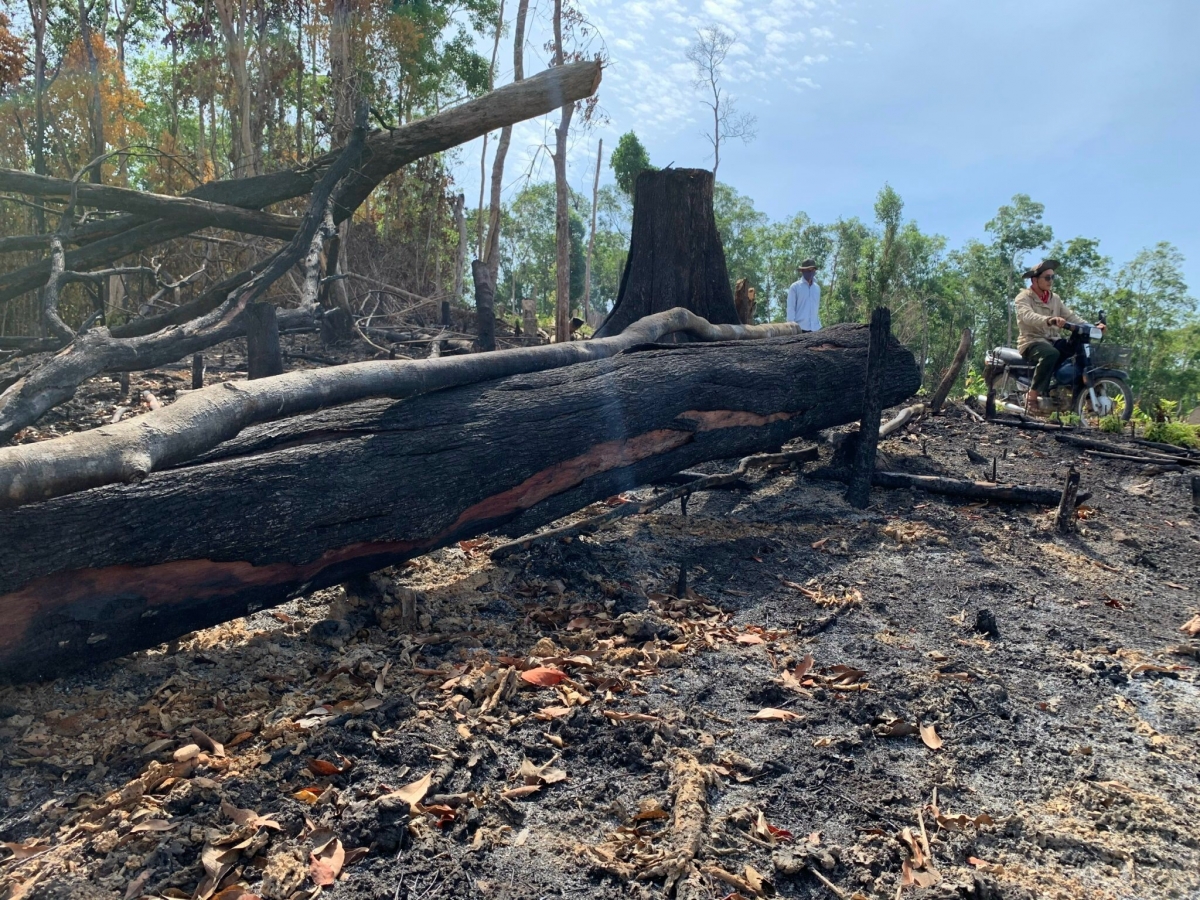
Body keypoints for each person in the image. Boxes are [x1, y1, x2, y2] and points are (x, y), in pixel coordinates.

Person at [1014, 259, 1092, 413]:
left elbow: (1070, 316)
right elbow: (1028, 316)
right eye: (1047, 278)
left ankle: (1085, 397)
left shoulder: (1054, 298)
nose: (1051, 281)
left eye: (1052, 277)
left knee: (1078, 351)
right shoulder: (1023, 297)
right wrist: (1048, 320)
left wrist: (1091, 326)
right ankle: (1032, 395)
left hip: (1053, 340)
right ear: (1035, 280)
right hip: (1031, 341)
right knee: (1051, 354)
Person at [786, 259, 821, 331]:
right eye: (808, 270)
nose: (810, 272)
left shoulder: (817, 288)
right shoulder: (795, 287)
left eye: (812, 270)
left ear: (815, 271)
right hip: (800, 329)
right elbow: (790, 308)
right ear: (802, 271)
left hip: (816, 328)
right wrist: (791, 328)